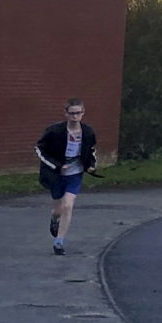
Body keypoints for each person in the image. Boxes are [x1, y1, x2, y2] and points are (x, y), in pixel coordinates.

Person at [36, 99, 97, 255]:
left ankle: (59, 242)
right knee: (58, 208)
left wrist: (91, 165)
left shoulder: (88, 132)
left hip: (75, 174)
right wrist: (57, 166)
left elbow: (91, 150)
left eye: (78, 113)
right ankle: (55, 218)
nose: (75, 117)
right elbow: (40, 149)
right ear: (66, 114)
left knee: (68, 205)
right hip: (57, 175)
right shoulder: (55, 131)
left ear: (83, 113)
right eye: (72, 113)